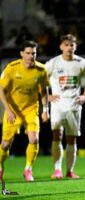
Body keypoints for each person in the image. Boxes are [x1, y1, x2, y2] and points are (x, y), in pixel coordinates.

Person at [45, 34, 85, 179]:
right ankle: (57, 169)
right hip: (58, 105)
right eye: (66, 45)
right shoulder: (53, 63)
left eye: (71, 45)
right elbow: (41, 79)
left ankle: (69, 171)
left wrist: (84, 95)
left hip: (74, 105)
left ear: (75, 47)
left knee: (71, 138)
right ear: (61, 47)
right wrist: (48, 96)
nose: (69, 47)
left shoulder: (81, 62)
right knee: (57, 135)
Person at [0, 41, 50, 181]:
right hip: (13, 110)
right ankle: (0, 167)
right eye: (28, 53)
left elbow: (44, 91)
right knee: (5, 144)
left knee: (34, 139)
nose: (31, 56)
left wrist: (45, 109)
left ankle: (28, 170)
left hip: (31, 109)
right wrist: (8, 110)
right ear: (21, 53)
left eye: (33, 53)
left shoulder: (41, 70)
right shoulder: (12, 68)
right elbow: (1, 90)